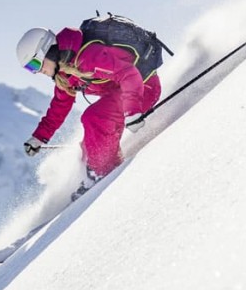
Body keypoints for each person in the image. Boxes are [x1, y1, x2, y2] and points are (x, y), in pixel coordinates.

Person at [16, 26, 161, 200]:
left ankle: (102, 172)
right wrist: (38, 137)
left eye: (35, 64)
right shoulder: (65, 72)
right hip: (123, 94)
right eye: (30, 69)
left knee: (94, 118)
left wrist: (132, 111)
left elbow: (129, 74)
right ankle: (95, 172)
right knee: (89, 146)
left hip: (143, 88)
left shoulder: (88, 57)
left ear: (47, 50)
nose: (37, 71)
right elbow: (60, 106)